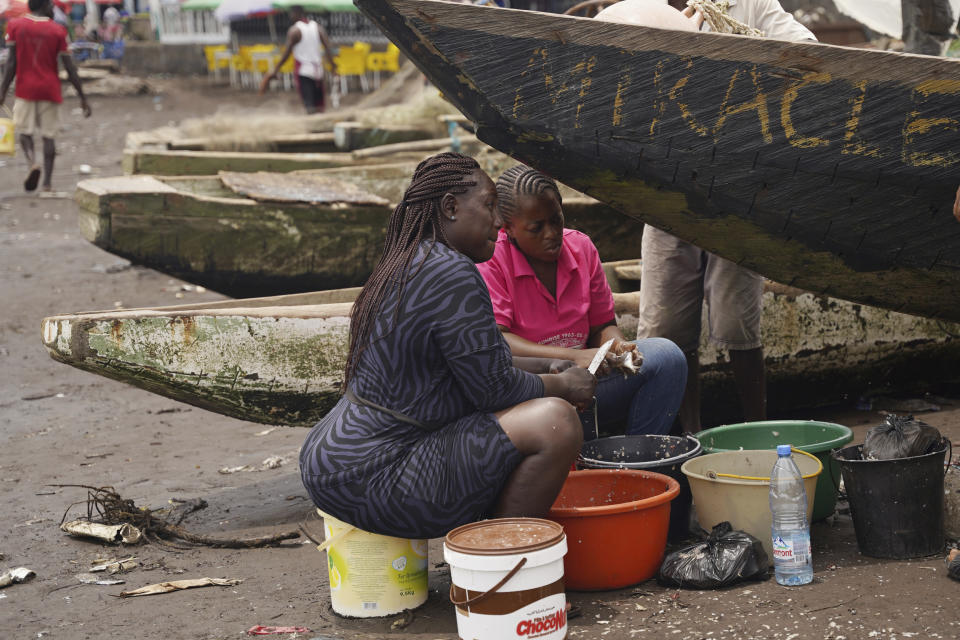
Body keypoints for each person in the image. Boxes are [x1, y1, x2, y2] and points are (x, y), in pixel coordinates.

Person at [300, 153, 597, 539]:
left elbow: (480, 361)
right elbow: (495, 388)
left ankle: (489, 556)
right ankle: (499, 563)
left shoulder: (414, 259)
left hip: (335, 459)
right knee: (555, 422)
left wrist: (544, 367)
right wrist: (564, 385)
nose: (497, 222)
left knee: (531, 409)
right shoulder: (451, 272)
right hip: (374, 474)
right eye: (490, 206)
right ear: (451, 207)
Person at [597, 0, 815, 433]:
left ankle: (760, 430)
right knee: (667, 333)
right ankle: (690, 434)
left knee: (739, 324)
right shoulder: (643, 9)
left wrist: (727, 43)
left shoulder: (748, 5)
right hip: (667, 196)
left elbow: (806, 49)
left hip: (738, 195)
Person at [477, 165, 687, 440]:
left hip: (588, 382)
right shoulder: (492, 261)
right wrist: (572, 356)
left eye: (556, 220)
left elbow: (603, 324)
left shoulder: (581, 247)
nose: (551, 233)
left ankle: (637, 458)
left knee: (667, 357)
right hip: (534, 391)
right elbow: (500, 340)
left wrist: (618, 347)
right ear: (509, 228)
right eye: (536, 228)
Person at [0, 0, 91, 192]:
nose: (53, 9)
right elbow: (70, 68)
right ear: (43, 6)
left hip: (25, 89)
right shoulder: (58, 31)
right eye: (51, 5)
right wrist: (82, 97)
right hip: (50, 89)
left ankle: (32, 162)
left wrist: (2, 91)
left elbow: (11, 64)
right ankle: (47, 183)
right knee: (49, 136)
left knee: (25, 132)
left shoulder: (15, 25)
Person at [259, 5, 336, 114]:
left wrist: (276, 69)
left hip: (303, 71)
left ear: (296, 13)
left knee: (309, 103)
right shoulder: (318, 28)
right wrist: (333, 67)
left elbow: (286, 53)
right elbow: (328, 48)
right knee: (319, 103)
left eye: (291, 14)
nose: (290, 16)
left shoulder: (295, 30)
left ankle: (313, 124)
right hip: (318, 70)